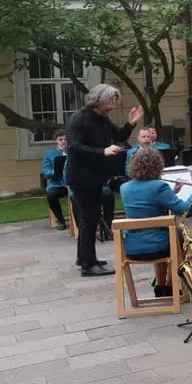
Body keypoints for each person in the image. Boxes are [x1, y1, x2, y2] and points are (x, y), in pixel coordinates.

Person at [66, 84, 143, 276]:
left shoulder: (102, 118)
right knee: (89, 219)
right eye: (111, 101)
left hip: (95, 175)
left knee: (90, 218)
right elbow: (74, 148)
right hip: (81, 177)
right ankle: (88, 266)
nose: (113, 106)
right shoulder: (78, 119)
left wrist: (131, 123)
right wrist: (103, 151)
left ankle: (84, 257)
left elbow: (119, 136)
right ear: (99, 101)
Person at [120, 147, 192, 297]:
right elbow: (183, 209)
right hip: (158, 245)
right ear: (157, 166)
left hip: (132, 247)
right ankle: (169, 284)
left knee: (161, 233)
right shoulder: (159, 186)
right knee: (177, 236)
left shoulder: (124, 188)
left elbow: (145, 205)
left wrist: (172, 193)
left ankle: (161, 286)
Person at [43, 130, 69, 230]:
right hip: (58, 184)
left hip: (74, 183)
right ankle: (61, 220)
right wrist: (54, 171)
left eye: (65, 139)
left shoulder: (73, 151)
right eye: (60, 139)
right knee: (51, 195)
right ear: (56, 141)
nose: (63, 141)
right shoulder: (49, 154)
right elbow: (45, 172)